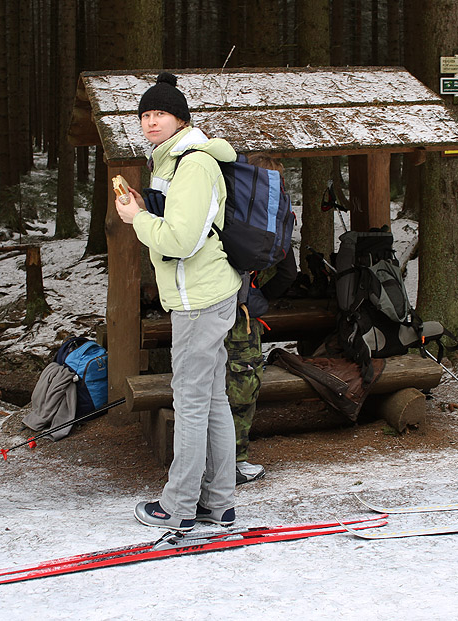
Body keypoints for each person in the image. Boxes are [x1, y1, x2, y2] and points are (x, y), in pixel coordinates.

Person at [115, 73, 242, 530]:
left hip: (198, 299)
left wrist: (137, 219)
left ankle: (179, 506)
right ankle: (219, 502)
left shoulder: (192, 165)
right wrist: (146, 204)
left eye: (159, 114)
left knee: (190, 401)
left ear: (180, 119)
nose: (150, 123)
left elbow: (181, 240)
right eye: (145, 115)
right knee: (210, 398)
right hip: (208, 291)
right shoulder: (174, 163)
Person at [225, 153, 297, 485]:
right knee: (242, 385)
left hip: (203, 307)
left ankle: (205, 458)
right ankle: (234, 461)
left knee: (206, 384)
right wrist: (260, 297)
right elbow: (287, 272)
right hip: (242, 316)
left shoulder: (226, 204)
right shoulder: (273, 217)